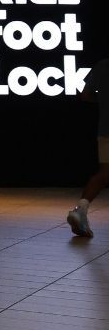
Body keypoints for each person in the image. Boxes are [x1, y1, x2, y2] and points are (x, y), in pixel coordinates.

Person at [67, 55, 109, 238]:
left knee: (105, 173)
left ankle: (81, 209)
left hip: (106, 128)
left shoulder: (102, 65)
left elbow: (85, 95)